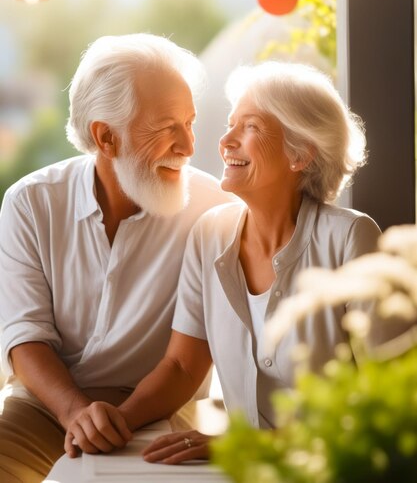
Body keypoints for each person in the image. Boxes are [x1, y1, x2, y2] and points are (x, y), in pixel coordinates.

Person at [91, 59, 379, 465]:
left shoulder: (351, 238)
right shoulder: (209, 235)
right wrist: (116, 422)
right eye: (231, 124)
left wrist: (258, 446)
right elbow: (180, 366)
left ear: (300, 154)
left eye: (251, 127)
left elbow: (389, 397)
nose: (225, 140)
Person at [0, 33, 230, 483]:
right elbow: (25, 337)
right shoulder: (30, 202)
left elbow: (186, 363)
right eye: (167, 127)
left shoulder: (215, 209)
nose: (187, 145)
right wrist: (75, 412)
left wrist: (115, 422)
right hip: (43, 406)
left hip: (159, 410)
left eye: (190, 122)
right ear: (106, 137)